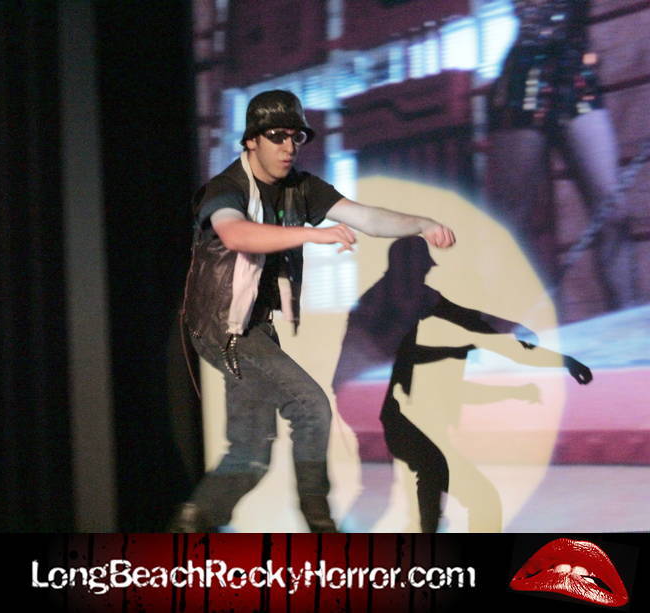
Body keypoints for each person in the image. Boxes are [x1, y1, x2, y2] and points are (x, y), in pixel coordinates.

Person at [171, 90, 455, 532]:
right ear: (251, 141)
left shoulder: (300, 188)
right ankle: (319, 520)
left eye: (295, 137)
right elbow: (236, 235)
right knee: (310, 406)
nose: (288, 147)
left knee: (250, 452)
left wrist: (421, 224)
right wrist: (313, 235)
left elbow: (367, 218)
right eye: (276, 136)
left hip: (252, 328)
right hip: (221, 327)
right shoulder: (226, 188)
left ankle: (193, 524)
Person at [333, 236, 593, 532]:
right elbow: (495, 345)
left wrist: (522, 376)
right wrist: (561, 361)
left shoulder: (422, 310)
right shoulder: (427, 316)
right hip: (413, 428)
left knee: (427, 510)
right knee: (479, 500)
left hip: (411, 426)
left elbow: (465, 375)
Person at [487, 0, 636, 311]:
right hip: (526, 75)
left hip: (576, 70)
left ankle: (628, 320)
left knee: (613, 213)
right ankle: (521, 323)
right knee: (511, 219)